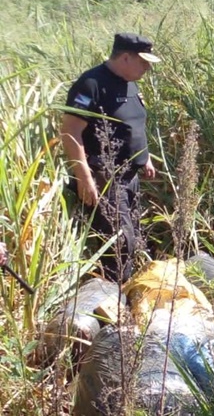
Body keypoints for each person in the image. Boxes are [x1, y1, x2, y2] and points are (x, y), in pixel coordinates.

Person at [60, 33, 160, 282]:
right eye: (144, 62)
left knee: (134, 237)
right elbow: (70, 131)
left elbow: (133, 123)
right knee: (120, 242)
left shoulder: (130, 82)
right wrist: (84, 177)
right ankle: (115, 302)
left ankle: (127, 295)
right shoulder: (91, 83)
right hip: (106, 177)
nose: (147, 68)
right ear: (125, 57)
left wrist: (144, 157)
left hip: (130, 176)